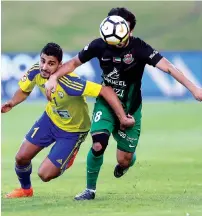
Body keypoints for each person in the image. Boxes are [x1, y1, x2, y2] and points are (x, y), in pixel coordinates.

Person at [45, 8, 202, 200]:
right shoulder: (99, 45)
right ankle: (89, 190)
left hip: (131, 108)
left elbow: (168, 67)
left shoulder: (139, 48)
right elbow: (73, 63)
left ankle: (127, 162)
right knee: (98, 144)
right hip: (106, 104)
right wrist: (53, 77)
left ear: (129, 30)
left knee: (124, 159)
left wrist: (194, 89)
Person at [1, 42, 135, 199]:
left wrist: (122, 117)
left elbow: (105, 90)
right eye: (43, 61)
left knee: (45, 175)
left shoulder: (70, 83)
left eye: (51, 64)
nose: (44, 67)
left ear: (60, 65)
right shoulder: (36, 72)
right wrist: (12, 102)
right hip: (50, 120)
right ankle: (26, 190)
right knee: (21, 157)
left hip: (73, 131)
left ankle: (69, 156)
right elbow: (24, 90)